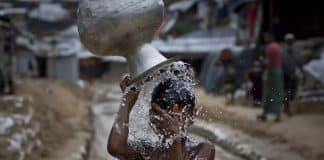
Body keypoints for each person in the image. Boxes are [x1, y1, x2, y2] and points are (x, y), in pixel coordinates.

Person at [107, 76, 215, 160]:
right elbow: (116, 148)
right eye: (164, 115)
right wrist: (127, 100)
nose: (170, 121)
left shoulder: (201, 149)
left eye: (176, 116)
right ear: (152, 117)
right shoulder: (149, 151)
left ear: (193, 115)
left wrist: (174, 137)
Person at [257, 32, 284, 122]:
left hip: (272, 72)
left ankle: (265, 114)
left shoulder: (270, 48)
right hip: (278, 71)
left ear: (270, 37)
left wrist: (262, 61)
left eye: (266, 37)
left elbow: (269, 63)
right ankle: (277, 115)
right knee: (277, 93)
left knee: (267, 93)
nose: (265, 39)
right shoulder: (278, 46)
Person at [282, 33, 301, 116]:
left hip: (293, 74)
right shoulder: (283, 51)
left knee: (292, 92)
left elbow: (298, 62)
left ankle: (288, 107)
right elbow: (283, 63)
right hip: (286, 74)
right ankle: (287, 108)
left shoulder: (295, 51)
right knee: (287, 92)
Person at [0, 16, 16, 94]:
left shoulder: (7, 30)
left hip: (5, 53)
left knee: (5, 71)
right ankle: (7, 88)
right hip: (6, 53)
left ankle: (5, 88)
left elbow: (7, 42)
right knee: (6, 71)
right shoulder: (10, 29)